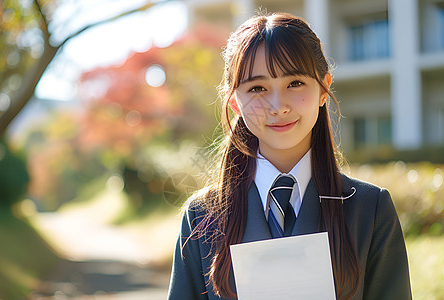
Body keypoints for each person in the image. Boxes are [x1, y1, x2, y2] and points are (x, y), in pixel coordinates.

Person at [167, 12, 412, 300]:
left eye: (294, 83)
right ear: (235, 102)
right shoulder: (203, 216)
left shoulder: (368, 208)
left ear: (324, 89)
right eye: (257, 88)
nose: (277, 105)